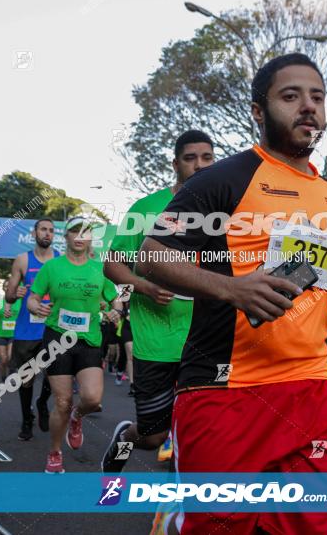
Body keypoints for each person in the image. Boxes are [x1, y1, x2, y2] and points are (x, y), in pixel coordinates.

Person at [137, 53, 327, 534]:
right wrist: (232, 289)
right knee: (220, 527)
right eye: (291, 96)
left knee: (305, 527)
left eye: (316, 97)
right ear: (259, 111)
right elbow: (152, 254)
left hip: (310, 390)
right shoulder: (222, 180)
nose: (307, 107)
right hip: (225, 388)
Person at [101, 130, 215, 473]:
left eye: (207, 158)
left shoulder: (227, 210)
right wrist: (145, 288)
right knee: (153, 436)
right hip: (157, 339)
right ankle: (124, 439)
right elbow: (111, 264)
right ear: (175, 163)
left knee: (199, 430)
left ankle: (180, 506)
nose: (199, 165)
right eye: (190, 158)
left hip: (206, 338)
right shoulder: (146, 209)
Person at [28, 216, 122, 473]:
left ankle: (77, 417)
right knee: (62, 401)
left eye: (85, 232)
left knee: (91, 399)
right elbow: (32, 299)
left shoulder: (99, 269)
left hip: (89, 339)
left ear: (91, 238)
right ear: (66, 237)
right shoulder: (52, 267)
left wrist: (116, 311)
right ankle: (55, 452)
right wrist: (36, 305)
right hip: (58, 338)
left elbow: (116, 300)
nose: (79, 237)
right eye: (74, 232)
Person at [6, 218, 60, 439]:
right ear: (34, 233)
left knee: (54, 376)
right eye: (43, 230)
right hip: (26, 329)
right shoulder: (22, 260)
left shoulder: (61, 260)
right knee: (26, 379)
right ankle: (27, 419)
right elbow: (9, 295)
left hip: (53, 327)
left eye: (51, 231)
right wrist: (15, 293)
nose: (47, 234)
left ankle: (42, 403)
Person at [0, 281, 20, 382]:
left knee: (10, 357)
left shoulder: (19, 301)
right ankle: (3, 377)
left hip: (14, 334)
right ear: (4, 288)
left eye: (10, 286)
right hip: (1, 334)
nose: (8, 288)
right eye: (5, 286)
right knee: (3, 360)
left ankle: (11, 373)